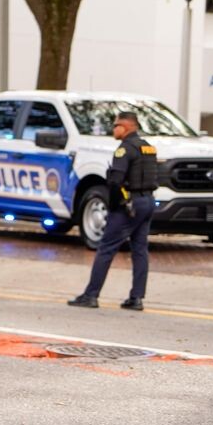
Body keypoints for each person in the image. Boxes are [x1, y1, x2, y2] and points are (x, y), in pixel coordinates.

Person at [68, 111, 157, 311]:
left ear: (127, 126)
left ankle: (91, 295)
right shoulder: (148, 147)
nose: (113, 129)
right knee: (140, 250)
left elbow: (116, 181)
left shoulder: (124, 149)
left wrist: (117, 205)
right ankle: (136, 298)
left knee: (106, 248)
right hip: (147, 201)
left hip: (129, 204)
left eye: (116, 125)